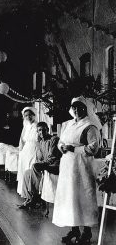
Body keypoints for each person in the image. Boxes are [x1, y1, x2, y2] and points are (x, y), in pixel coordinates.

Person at [52, 96, 101, 244]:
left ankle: (86, 232)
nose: (77, 110)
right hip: (67, 166)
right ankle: (74, 229)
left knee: (83, 197)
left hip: (82, 167)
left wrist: (74, 148)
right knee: (69, 197)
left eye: (80, 107)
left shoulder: (90, 126)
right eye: (74, 107)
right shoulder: (68, 124)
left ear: (86, 109)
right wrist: (62, 147)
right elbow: (61, 141)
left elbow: (94, 148)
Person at [19, 122, 61, 209]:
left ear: (48, 130)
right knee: (27, 172)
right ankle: (29, 198)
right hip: (46, 165)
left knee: (35, 166)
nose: (42, 132)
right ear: (37, 132)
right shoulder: (41, 142)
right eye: (39, 130)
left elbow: (52, 158)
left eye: (44, 130)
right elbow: (40, 158)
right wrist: (40, 164)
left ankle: (36, 196)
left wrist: (41, 165)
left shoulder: (54, 139)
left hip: (54, 166)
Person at [16, 107, 38, 196]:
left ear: (34, 115)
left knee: (30, 170)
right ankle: (24, 192)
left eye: (30, 115)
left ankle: (31, 193)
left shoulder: (37, 126)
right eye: (26, 115)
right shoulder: (26, 126)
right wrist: (20, 150)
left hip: (34, 149)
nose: (28, 117)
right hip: (25, 151)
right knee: (23, 170)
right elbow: (22, 139)